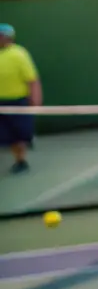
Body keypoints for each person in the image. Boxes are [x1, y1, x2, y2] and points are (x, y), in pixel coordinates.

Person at [0, 23, 41, 175]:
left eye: (1, 36)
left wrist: (35, 99)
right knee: (8, 136)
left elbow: (32, 79)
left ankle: (21, 160)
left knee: (18, 134)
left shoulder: (19, 54)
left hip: (17, 102)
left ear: (8, 38)